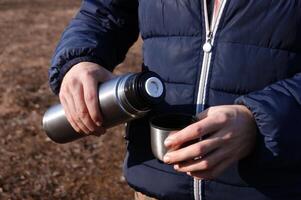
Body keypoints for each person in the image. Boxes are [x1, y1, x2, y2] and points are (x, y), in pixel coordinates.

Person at [48, 0, 301, 199]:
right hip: (155, 186)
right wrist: (81, 59)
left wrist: (260, 121)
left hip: (272, 187)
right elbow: (102, 12)